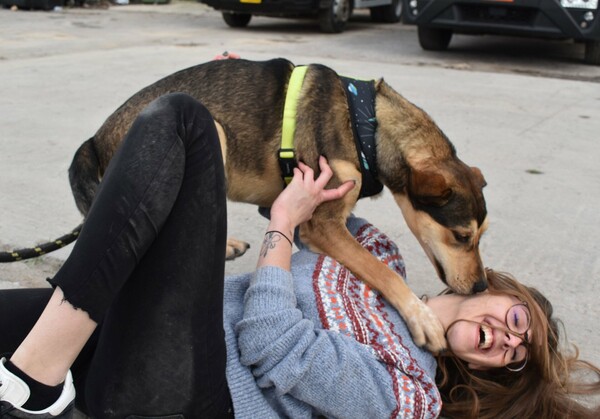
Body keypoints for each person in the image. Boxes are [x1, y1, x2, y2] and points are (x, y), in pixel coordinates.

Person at [0, 93, 598, 419]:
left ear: (489, 375)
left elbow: (274, 345)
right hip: (150, 328)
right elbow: (297, 200)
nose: (506, 339)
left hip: (193, 393)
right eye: (517, 321)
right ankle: (46, 370)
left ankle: (41, 378)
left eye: (514, 356)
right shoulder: (376, 248)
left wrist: (282, 233)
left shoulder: (415, 395)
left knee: (179, 120)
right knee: (198, 119)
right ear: (495, 292)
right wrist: (241, 113)